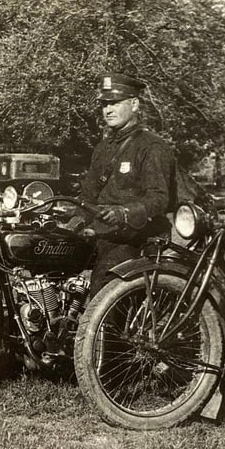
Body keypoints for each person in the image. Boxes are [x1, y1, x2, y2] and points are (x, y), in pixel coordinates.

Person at [80, 73, 175, 295]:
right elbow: (88, 194)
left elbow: (159, 198)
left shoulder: (152, 147)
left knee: (103, 283)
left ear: (134, 104)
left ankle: (101, 329)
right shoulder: (103, 148)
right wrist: (74, 218)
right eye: (104, 104)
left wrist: (124, 213)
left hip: (136, 238)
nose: (108, 110)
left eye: (115, 103)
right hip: (102, 234)